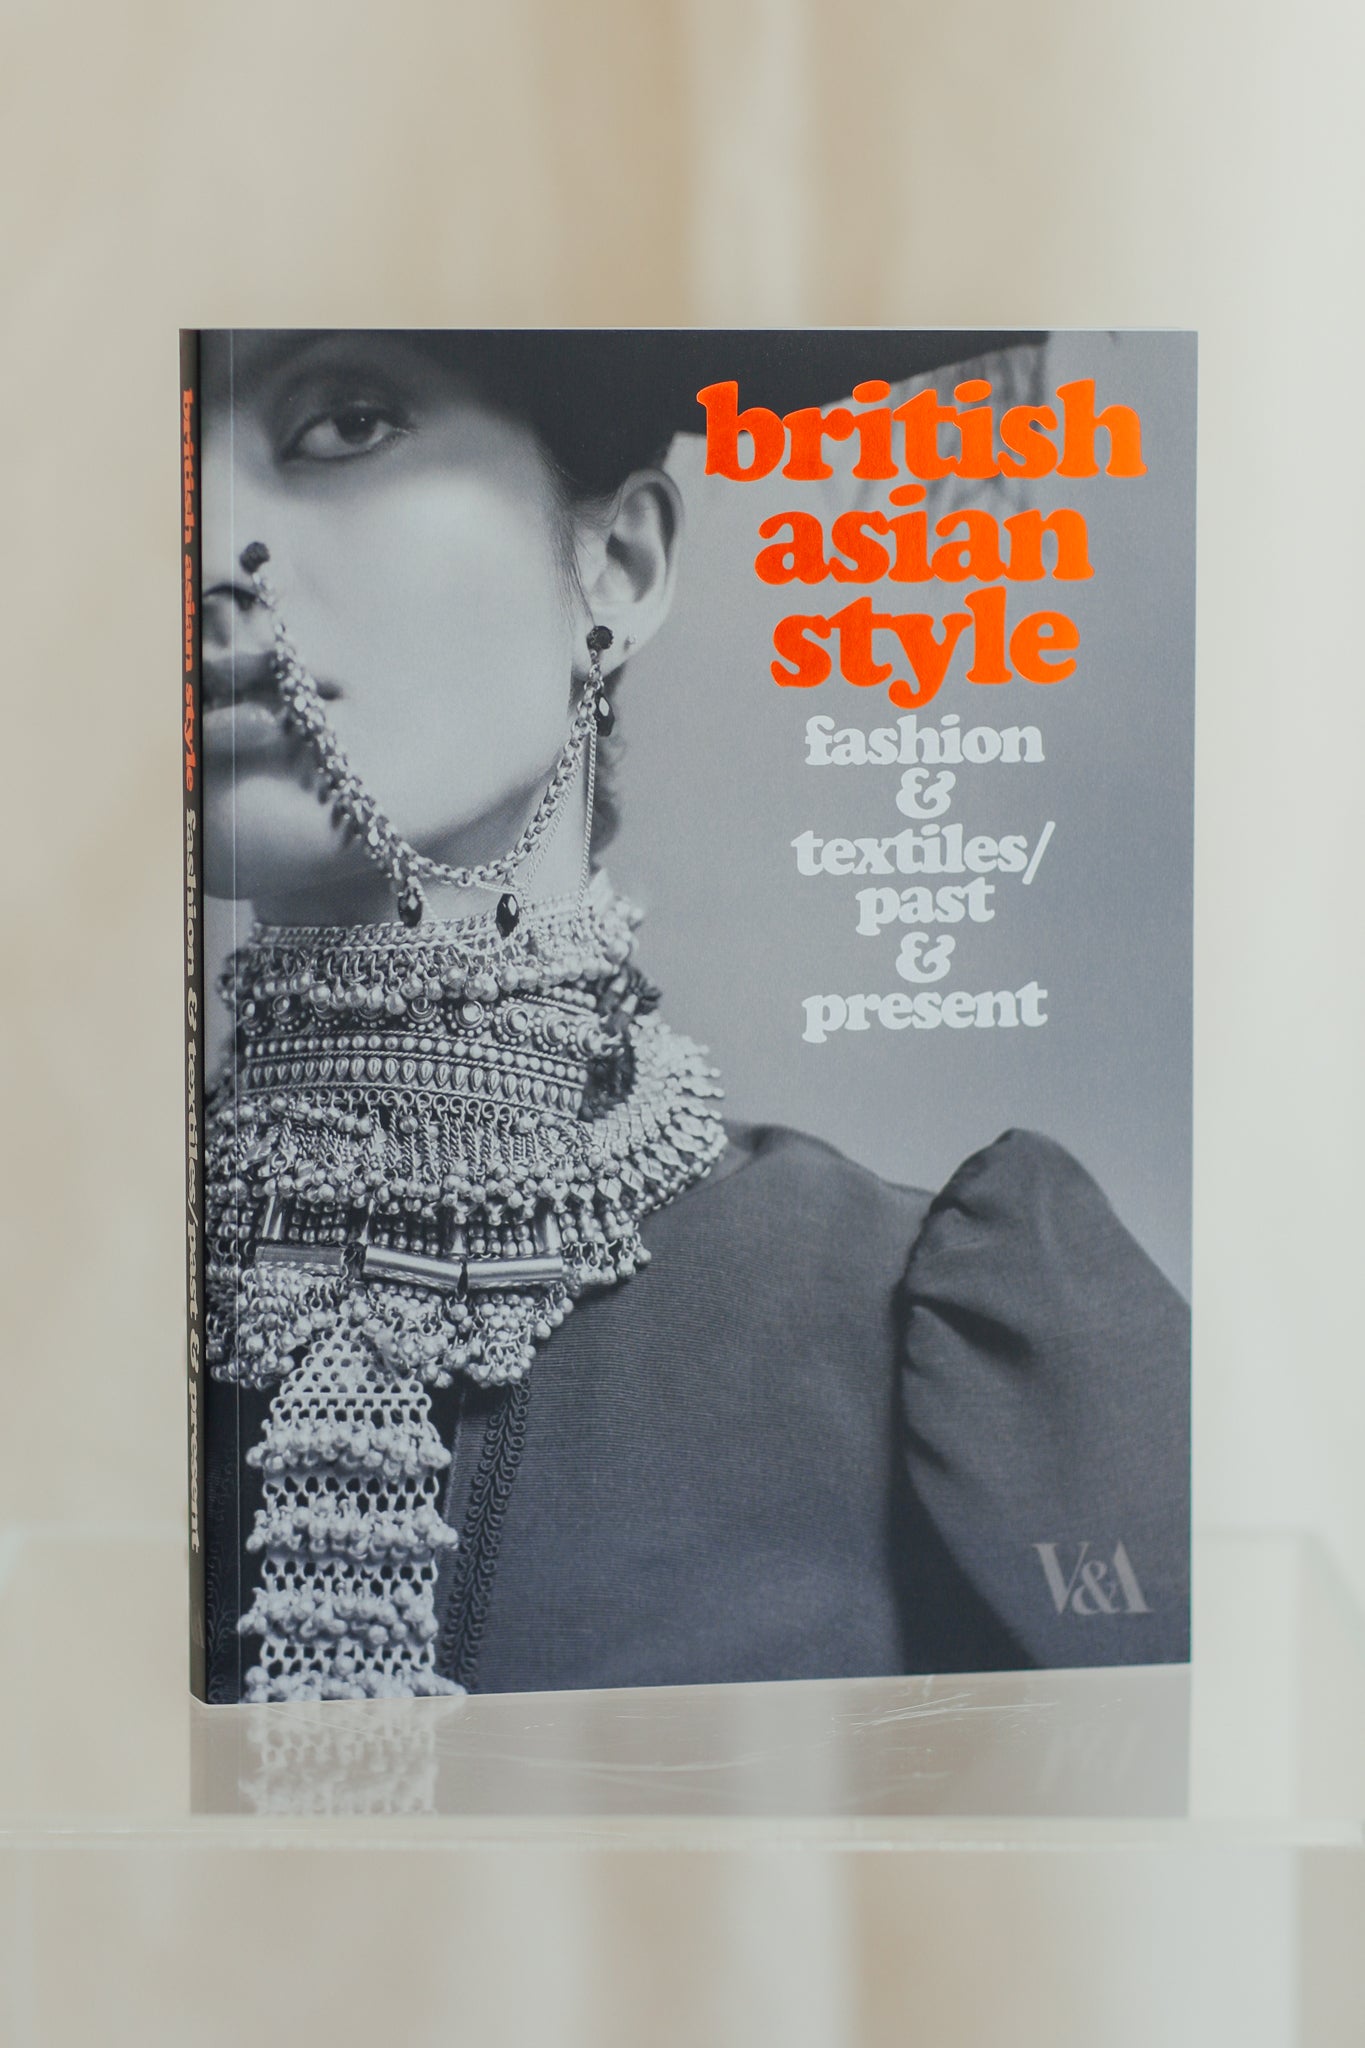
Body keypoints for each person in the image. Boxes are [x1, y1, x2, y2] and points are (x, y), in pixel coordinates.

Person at [197, 328, 1189, 1703]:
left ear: (619, 566)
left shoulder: (936, 1336)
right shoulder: (66, 1327)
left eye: (348, 422)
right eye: (161, 471)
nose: (208, 555)